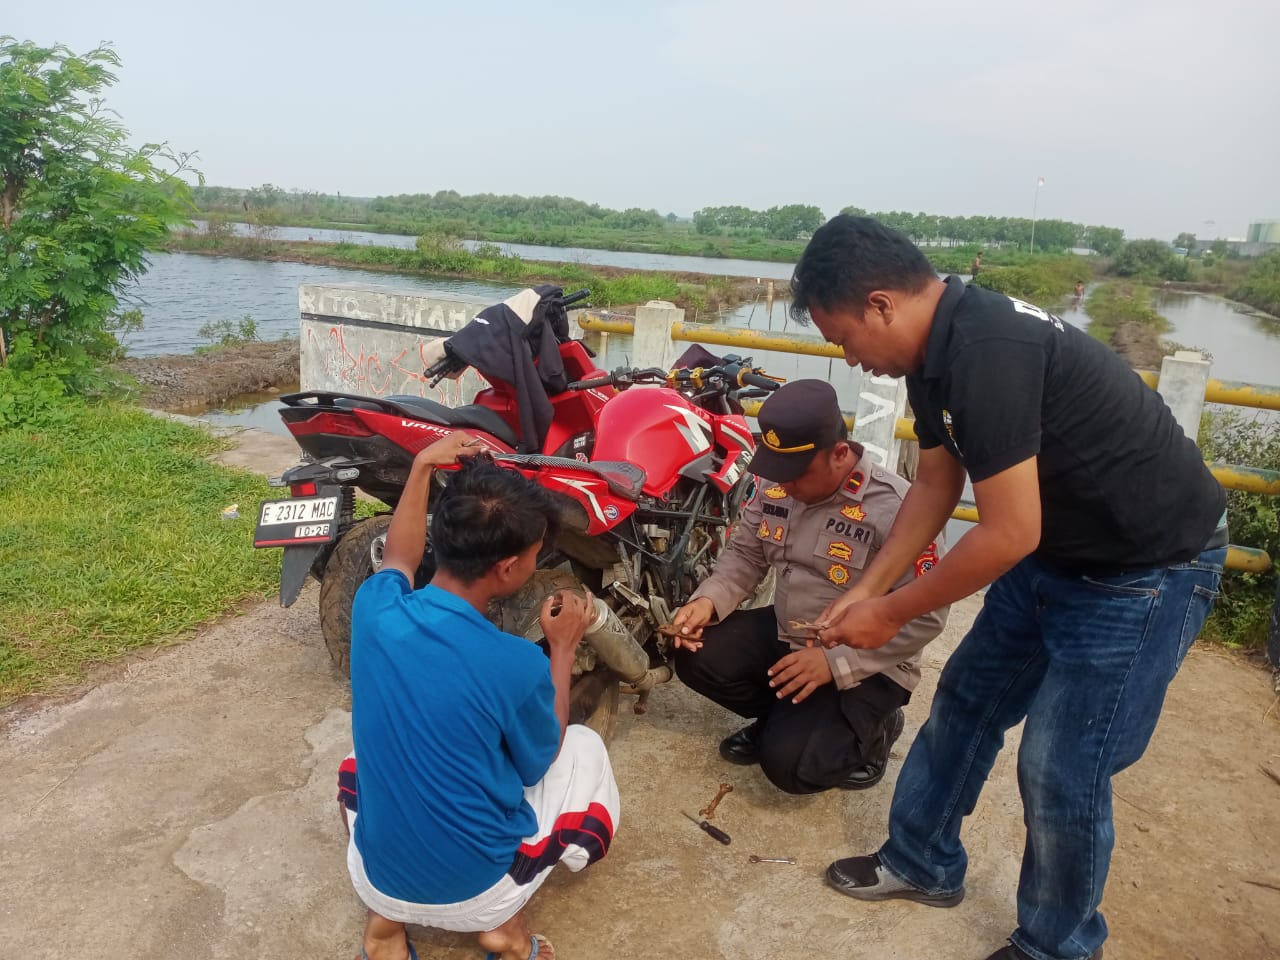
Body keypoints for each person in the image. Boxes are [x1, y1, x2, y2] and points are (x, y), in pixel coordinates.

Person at [789, 215, 1227, 960]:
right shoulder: (932, 356)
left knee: (1062, 765)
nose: (852, 359)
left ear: (881, 304)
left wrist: (889, 614)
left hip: (1147, 568)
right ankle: (921, 861)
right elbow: (936, 483)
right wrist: (869, 588)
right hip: (1060, 550)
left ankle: (1058, 945)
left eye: (845, 339)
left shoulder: (989, 350)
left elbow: (1008, 532)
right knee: (967, 702)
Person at [337, 434, 620, 960]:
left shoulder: (375, 608)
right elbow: (538, 762)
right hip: (476, 889)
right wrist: (562, 650)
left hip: (377, 876)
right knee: (582, 747)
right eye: (535, 554)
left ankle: (385, 929)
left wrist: (423, 466)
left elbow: (399, 556)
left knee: (359, 760)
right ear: (508, 567)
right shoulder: (516, 662)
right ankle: (504, 930)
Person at [670, 380, 948, 795]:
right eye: (777, 470)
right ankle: (782, 720)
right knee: (693, 653)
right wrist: (707, 601)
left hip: (869, 659)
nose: (785, 485)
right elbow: (745, 555)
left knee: (791, 768)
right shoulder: (778, 483)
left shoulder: (899, 508)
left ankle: (876, 731)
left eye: (796, 473)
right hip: (791, 630)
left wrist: (835, 662)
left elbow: (926, 617)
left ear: (840, 453)